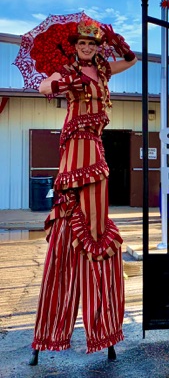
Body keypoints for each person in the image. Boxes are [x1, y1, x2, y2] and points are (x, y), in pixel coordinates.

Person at [29, 20, 137, 366]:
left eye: (93, 43)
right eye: (82, 43)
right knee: (68, 231)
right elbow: (44, 87)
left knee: (97, 232)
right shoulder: (67, 71)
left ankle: (102, 328)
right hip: (75, 152)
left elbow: (131, 60)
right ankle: (50, 330)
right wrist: (60, 81)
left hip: (96, 152)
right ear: (74, 46)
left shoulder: (104, 70)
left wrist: (118, 42)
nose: (88, 48)